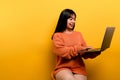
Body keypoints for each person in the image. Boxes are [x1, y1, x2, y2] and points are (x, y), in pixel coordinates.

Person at [51, 9, 101, 80]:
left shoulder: (78, 34)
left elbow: (83, 52)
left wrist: (93, 53)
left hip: (79, 68)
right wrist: (79, 49)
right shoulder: (57, 35)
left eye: (74, 19)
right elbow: (62, 52)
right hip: (63, 68)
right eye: (70, 19)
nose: (73, 21)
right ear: (64, 19)